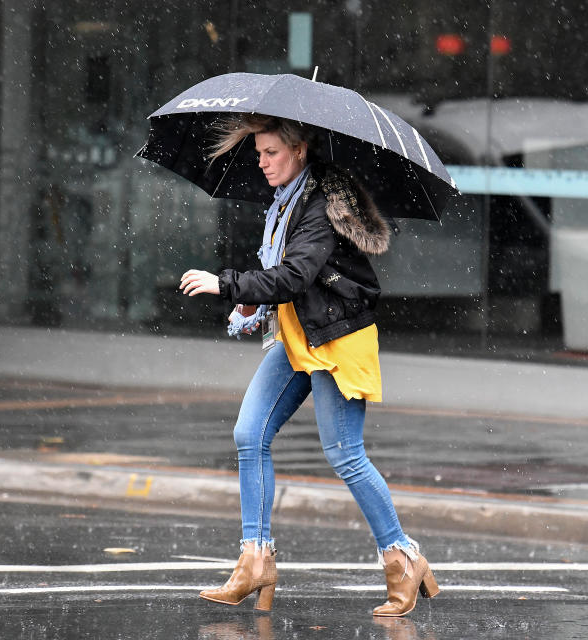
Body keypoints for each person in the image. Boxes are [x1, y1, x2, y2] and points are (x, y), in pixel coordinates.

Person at [178, 114, 438, 617]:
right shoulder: (286, 202)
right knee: (249, 435)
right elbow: (288, 276)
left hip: (337, 339)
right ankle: (255, 561)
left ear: (298, 150)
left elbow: (295, 275)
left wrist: (228, 284)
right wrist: (254, 301)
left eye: (271, 152)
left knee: (344, 453)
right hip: (299, 332)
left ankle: (404, 559)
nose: (262, 161)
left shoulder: (318, 205)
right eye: (257, 153)